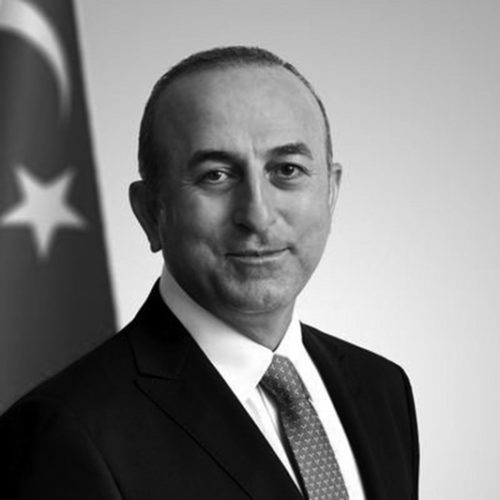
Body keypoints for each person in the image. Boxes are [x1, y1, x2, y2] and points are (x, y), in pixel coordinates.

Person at [0, 46, 419, 499]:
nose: (257, 215)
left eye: (287, 170)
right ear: (150, 212)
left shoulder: (382, 387)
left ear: (331, 192)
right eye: (216, 175)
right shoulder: (67, 430)